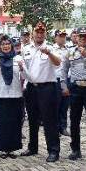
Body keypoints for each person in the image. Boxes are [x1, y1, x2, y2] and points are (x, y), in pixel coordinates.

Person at [20, 20, 61, 162]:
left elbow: (57, 62)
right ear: (32, 33)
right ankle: (33, 147)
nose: (39, 34)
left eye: (42, 32)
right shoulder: (26, 49)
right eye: (37, 32)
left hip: (47, 87)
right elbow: (24, 69)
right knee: (32, 119)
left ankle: (53, 150)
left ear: (45, 34)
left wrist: (49, 53)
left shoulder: (51, 47)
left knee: (50, 120)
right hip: (31, 87)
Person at [60, 27, 86, 163]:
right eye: (81, 36)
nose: (83, 38)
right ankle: (75, 150)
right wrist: (64, 85)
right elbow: (64, 69)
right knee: (74, 121)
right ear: (76, 37)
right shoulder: (70, 51)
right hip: (76, 89)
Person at [0, 35, 25, 158]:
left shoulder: (18, 58)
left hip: (16, 94)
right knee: (2, 124)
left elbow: (25, 76)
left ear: (11, 45)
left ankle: (13, 149)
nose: (6, 46)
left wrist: (22, 68)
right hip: (0, 95)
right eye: (3, 44)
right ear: (0, 46)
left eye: (8, 44)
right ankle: (3, 149)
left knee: (14, 123)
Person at [51, 29, 70, 137]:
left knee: (64, 105)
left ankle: (63, 127)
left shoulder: (68, 50)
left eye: (64, 36)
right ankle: (55, 127)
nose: (62, 38)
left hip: (66, 79)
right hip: (55, 79)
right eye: (60, 36)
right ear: (55, 37)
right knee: (55, 105)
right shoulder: (52, 49)